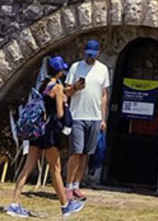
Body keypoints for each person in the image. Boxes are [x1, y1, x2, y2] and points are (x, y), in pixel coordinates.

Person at [6, 55, 82, 216]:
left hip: (37, 130)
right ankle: (65, 205)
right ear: (60, 72)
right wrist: (64, 103)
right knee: (55, 168)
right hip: (49, 132)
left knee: (28, 166)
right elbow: (60, 113)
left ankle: (14, 202)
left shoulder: (43, 85)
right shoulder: (58, 87)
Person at [64, 38, 110, 202]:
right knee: (76, 152)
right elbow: (66, 91)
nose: (90, 57)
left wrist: (103, 118)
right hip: (77, 115)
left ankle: (77, 185)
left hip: (94, 117)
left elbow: (103, 94)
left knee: (85, 153)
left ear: (98, 54)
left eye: (93, 55)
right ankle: (68, 186)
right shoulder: (76, 67)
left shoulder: (103, 69)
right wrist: (75, 87)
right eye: (88, 54)